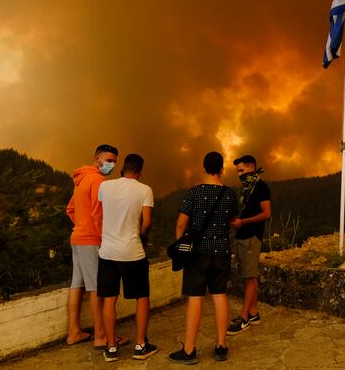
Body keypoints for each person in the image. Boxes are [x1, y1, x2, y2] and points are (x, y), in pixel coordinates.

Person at [169, 152, 238, 364]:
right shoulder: (230, 194)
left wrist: (182, 246)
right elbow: (233, 220)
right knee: (220, 297)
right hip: (221, 253)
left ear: (203, 168)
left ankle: (189, 350)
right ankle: (221, 346)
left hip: (197, 254)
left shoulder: (194, 193)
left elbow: (181, 223)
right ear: (222, 169)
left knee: (195, 299)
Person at [97, 154, 157, 362]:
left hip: (107, 253)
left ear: (123, 168)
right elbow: (147, 222)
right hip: (133, 253)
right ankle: (141, 345)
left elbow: (103, 213)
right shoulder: (144, 190)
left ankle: (111, 347)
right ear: (139, 171)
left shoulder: (105, 187)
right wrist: (143, 236)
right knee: (142, 297)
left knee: (109, 299)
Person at [65, 144, 119, 348]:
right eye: (108, 160)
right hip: (90, 240)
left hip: (77, 238)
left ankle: (74, 332)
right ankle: (101, 336)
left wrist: (81, 225)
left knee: (76, 285)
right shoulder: (97, 180)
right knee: (98, 288)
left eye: (114, 161)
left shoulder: (81, 179)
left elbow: (70, 209)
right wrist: (103, 237)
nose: (111, 164)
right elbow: (99, 215)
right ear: (97, 158)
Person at [227, 155, 271, 335]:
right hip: (242, 235)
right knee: (249, 277)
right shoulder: (248, 188)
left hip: (251, 236)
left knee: (249, 277)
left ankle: (244, 317)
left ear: (252, 167)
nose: (239, 174)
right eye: (238, 171)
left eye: (242, 170)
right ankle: (253, 313)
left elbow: (266, 213)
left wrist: (243, 222)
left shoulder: (260, 187)